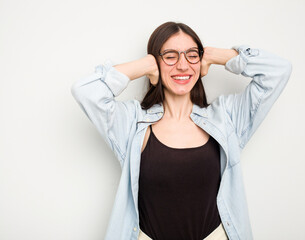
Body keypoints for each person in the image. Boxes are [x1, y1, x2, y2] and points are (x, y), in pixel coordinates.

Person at [71, 21, 292, 240]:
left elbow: (278, 71)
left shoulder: (226, 117)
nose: (183, 66)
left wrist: (217, 55)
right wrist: (144, 65)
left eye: (192, 55)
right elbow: (86, 92)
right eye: (170, 56)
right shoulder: (132, 122)